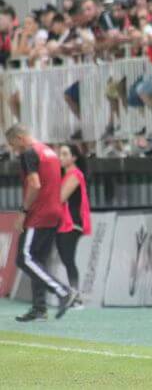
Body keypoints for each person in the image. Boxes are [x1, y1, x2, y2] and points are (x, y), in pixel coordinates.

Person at [4, 125, 77, 321]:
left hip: (39, 213)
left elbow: (35, 184)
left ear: (20, 138)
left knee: (24, 258)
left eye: (13, 145)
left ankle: (62, 291)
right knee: (38, 259)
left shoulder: (29, 153)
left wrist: (23, 211)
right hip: (54, 211)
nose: (14, 150)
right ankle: (39, 308)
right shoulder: (49, 152)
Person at [56, 144, 92, 309]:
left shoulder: (75, 175)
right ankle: (73, 295)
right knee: (66, 259)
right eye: (60, 154)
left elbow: (61, 197)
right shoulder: (65, 174)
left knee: (68, 259)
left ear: (74, 157)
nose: (60, 157)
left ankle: (76, 297)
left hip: (72, 222)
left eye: (64, 154)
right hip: (63, 222)